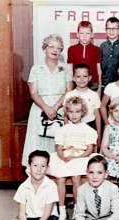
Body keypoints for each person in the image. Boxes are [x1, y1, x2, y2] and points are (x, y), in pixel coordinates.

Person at [22, 34, 73, 167]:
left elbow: (69, 90)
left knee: (58, 144)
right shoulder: (36, 69)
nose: (55, 50)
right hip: (40, 110)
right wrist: (47, 108)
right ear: (45, 48)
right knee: (38, 146)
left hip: (60, 109)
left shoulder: (66, 68)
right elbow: (33, 93)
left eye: (59, 47)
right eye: (51, 46)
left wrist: (55, 108)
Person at [58, 155, 119, 220]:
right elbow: (79, 214)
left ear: (106, 174)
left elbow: (118, 214)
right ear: (86, 173)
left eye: (99, 173)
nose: (95, 177)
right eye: (91, 172)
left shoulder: (113, 188)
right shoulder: (82, 189)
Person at [49, 96, 98, 220]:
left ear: (83, 112)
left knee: (76, 177)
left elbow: (89, 150)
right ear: (67, 112)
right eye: (71, 112)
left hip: (81, 157)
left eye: (77, 112)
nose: (74, 115)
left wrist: (76, 157)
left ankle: (78, 209)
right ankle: (62, 210)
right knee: (60, 178)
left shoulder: (88, 130)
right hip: (66, 156)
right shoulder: (63, 130)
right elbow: (59, 148)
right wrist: (63, 157)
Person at [2, 150, 58, 220]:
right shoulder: (23, 187)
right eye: (35, 165)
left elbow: (47, 214)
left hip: (46, 219)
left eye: (43, 166)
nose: (39, 169)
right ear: (28, 167)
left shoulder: (51, 185)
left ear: (47, 168)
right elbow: (21, 214)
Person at [63, 64, 101, 144]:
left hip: (90, 126)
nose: (82, 79)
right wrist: (65, 131)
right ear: (73, 78)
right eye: (78, 76)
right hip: (73, 128)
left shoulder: (94, 95)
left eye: (85, 76)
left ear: (89, 78)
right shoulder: (69, 95)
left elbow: (97, 116)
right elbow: (66, 116)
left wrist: (99, 135)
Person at [67, 21, 102, 94]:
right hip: (76, 83)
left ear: (92, 35)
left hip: (93, 84)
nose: (84, 36)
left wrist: (99, 87)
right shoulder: (71, 49)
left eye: (87, 33)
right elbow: (69, 69)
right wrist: (69, 86)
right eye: (82, 33)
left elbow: (99, 69)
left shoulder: (96, 49)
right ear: (77, 34)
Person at [100, 17, 119, 92]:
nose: (111, 31)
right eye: (109, 28)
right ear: (105, 30)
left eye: (114, 28)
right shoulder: (102, 46)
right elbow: (99, 66)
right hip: (105, 83)